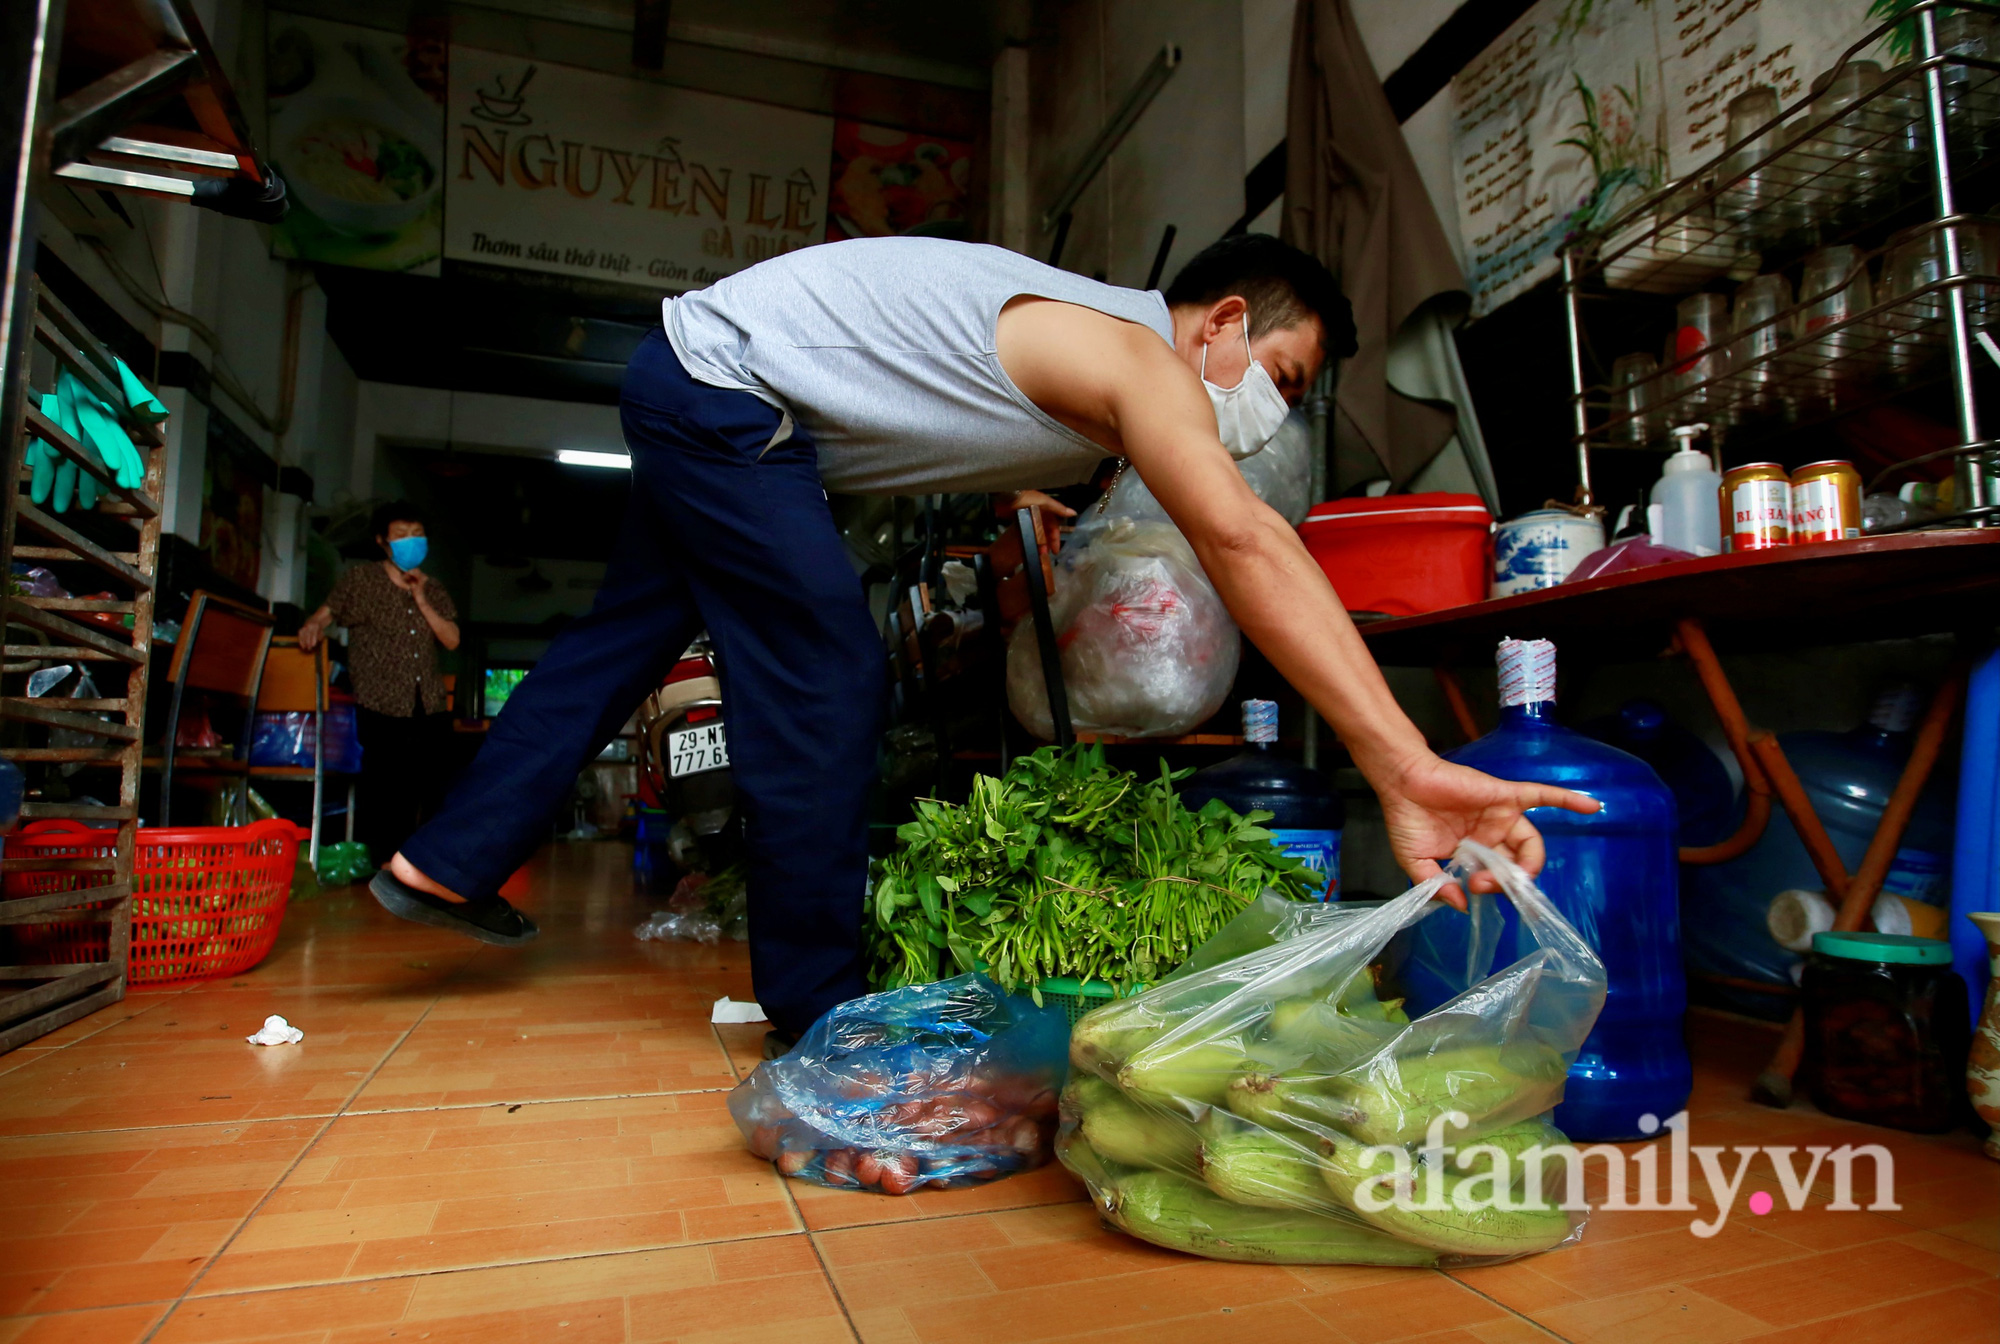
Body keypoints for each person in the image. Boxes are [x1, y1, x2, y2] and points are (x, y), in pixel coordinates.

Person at [368, 234, 1596, 1041]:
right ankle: (819, 1012)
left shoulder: (1095, 359)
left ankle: (445, 861)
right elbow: (1241, 538)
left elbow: (931, 375)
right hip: (725, 388)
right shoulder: (1139, 358)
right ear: (1220, 323)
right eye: (1276, 370)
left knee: (614, 642)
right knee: (830, 673)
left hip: (703, 379)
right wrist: (1398, 756)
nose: (1267, 403)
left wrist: (1023, 488)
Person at [299, 503, 461, 867]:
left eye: (416, 534)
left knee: (433, 783)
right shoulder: (361, 581)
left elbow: (451, 639)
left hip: (428, 701)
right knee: (387, 784)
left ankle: (425, 862)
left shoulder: (433, 588)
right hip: (380, 699)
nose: (410, 542)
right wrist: (312, 625)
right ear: (382, 542)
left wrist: (420, 598)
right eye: (401, 536)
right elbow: (327, 612)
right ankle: (386, 862)